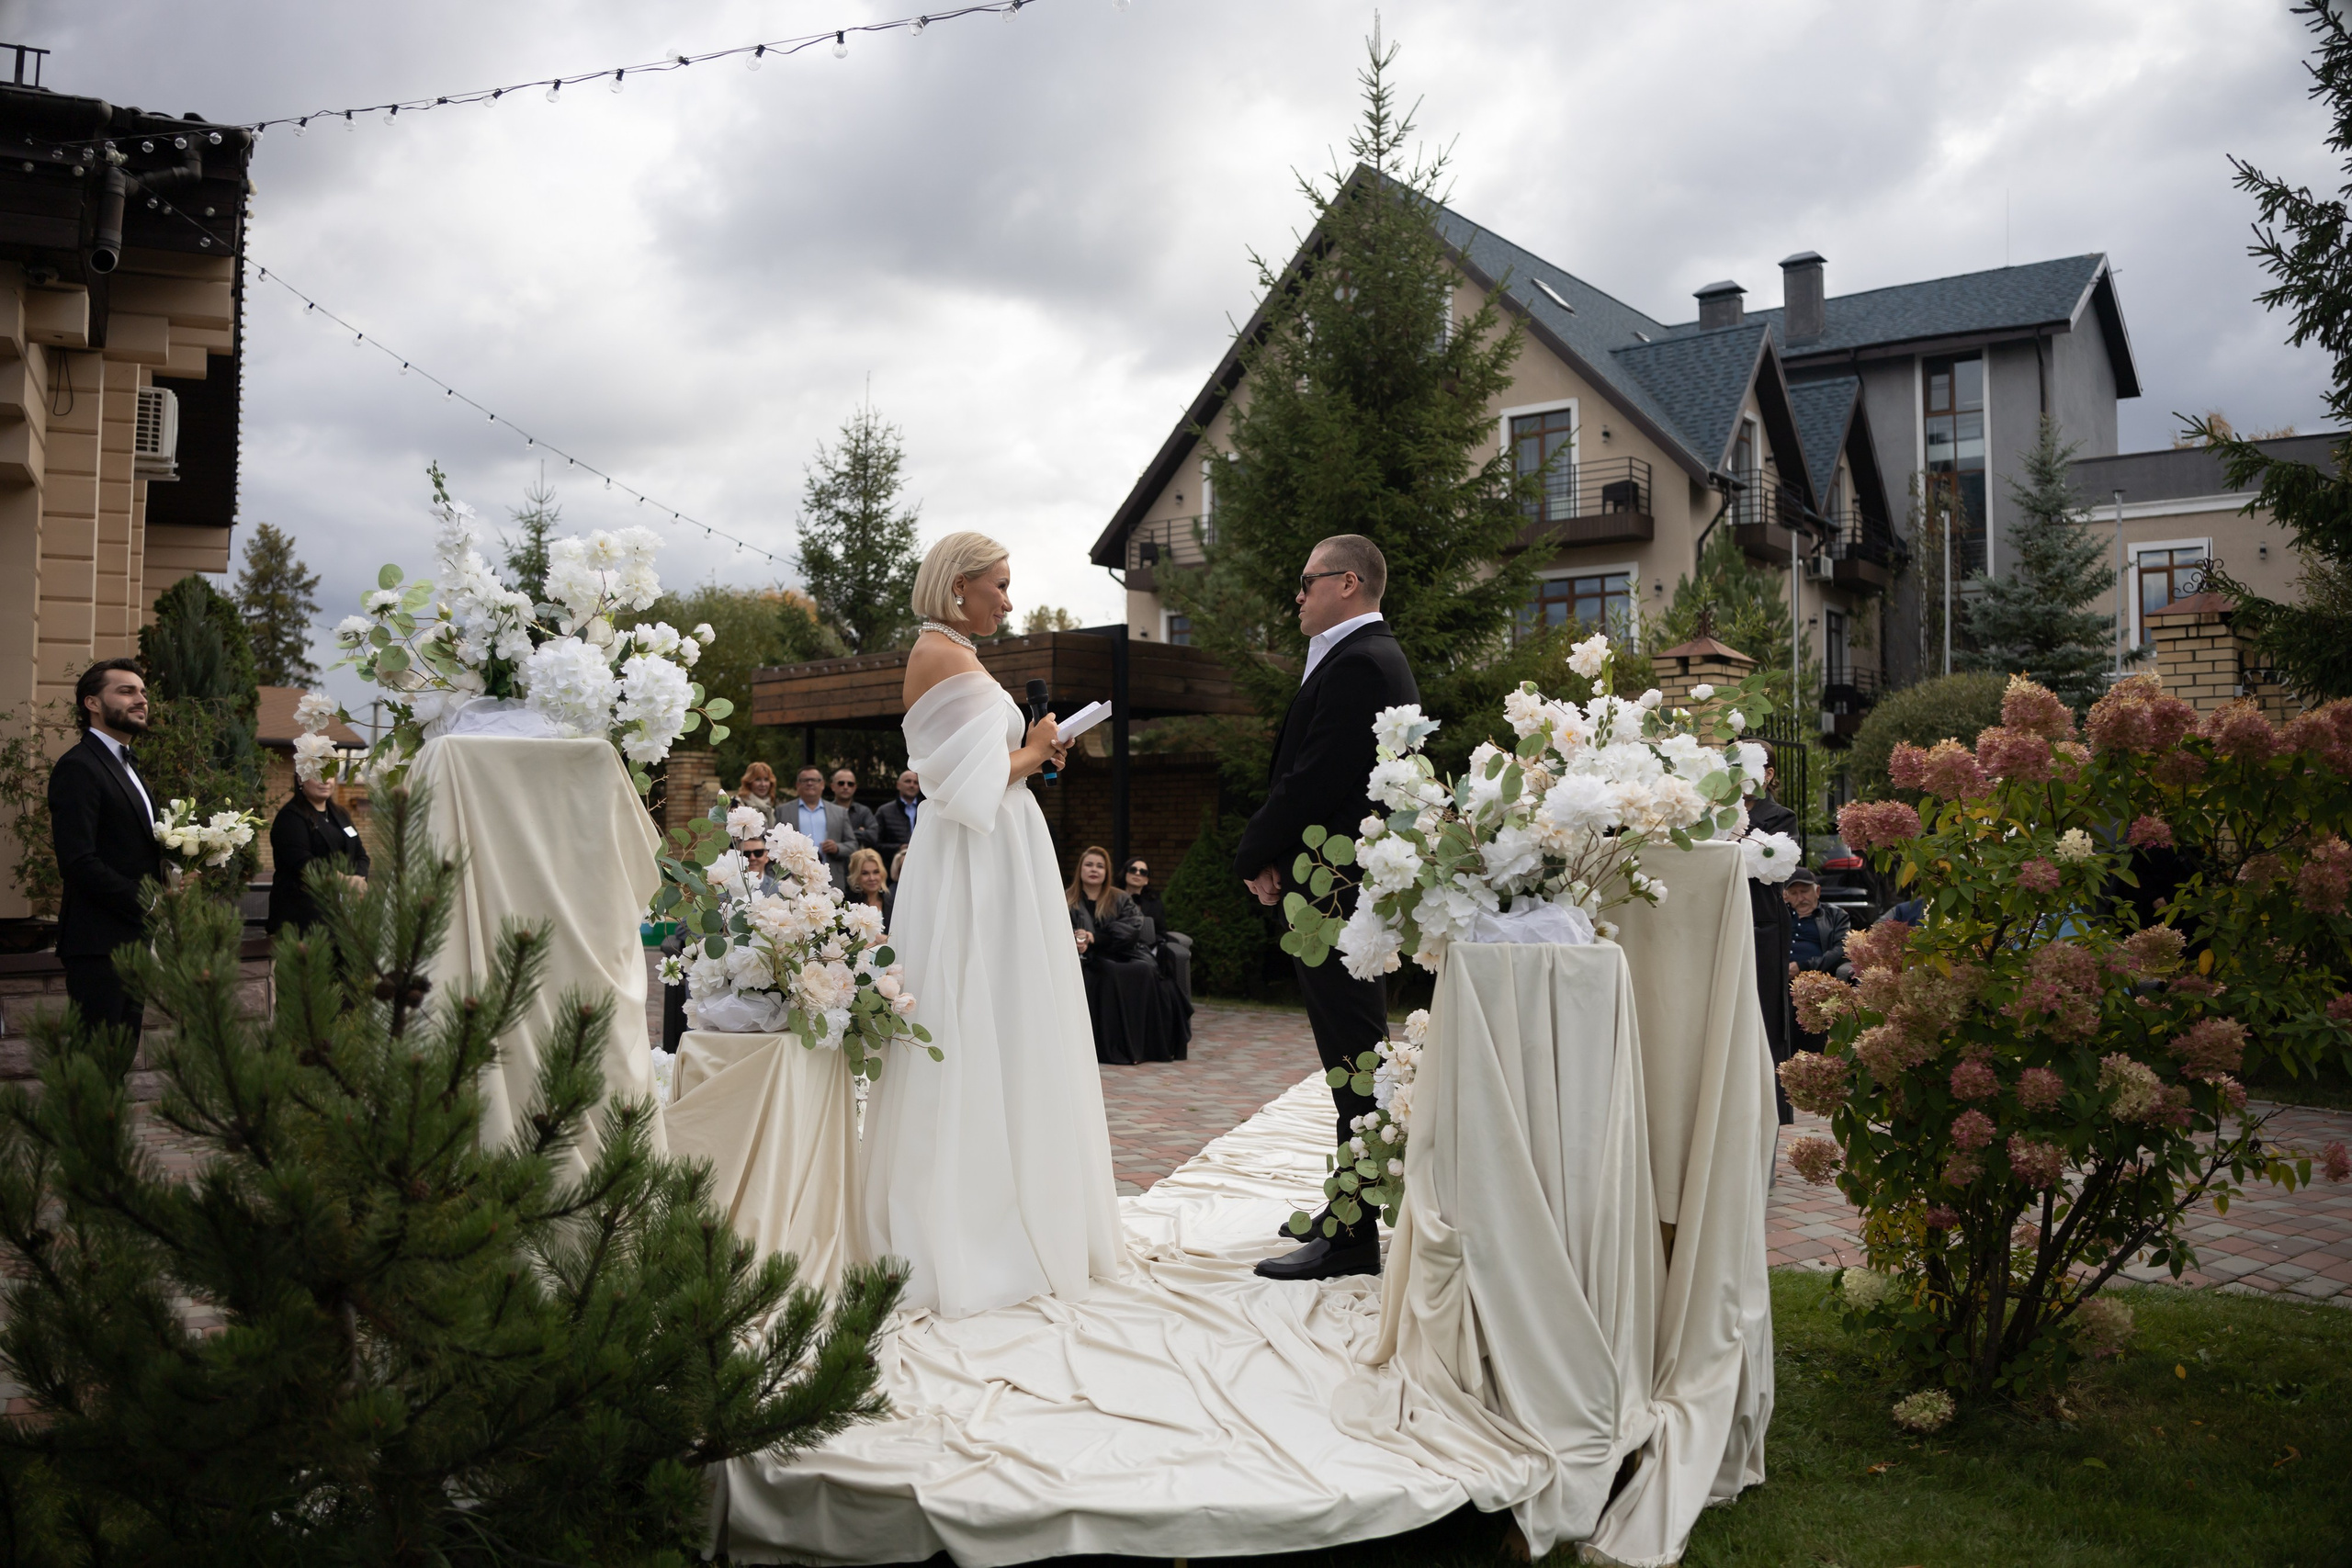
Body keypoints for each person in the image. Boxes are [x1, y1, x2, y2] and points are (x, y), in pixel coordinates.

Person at [857, 530, 1121, 1318]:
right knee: (980, 1003)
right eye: (1000, 585)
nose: (1009, 599)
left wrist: (1039, 751)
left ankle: (1021, 1192)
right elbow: (954, 782)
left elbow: (982, 763)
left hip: (997, 849)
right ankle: (975, 1220)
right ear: (958, 586)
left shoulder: (955, 652)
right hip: (975, 854)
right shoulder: (940, 654)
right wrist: (1034, 749)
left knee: (1009, 1007)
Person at [1234, 535, 1417, 1282]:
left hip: (1339, 892)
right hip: (1333, 880)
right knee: (1353, 1055)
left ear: (1348, 582)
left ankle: (1349, 1236)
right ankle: (1350, 1200)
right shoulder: (1359, 657)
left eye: (1307, 581)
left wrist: (1254, 851)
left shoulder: (1363, 662)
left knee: (1354, 1059)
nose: (1297, 595)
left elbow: (1316, 777)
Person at [48, 658, 164, 1040]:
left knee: (119, 1060)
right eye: (126, 691)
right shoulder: (79, 766)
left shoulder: (128, 766)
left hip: (132, 938)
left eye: (143, 692)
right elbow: (78, 860)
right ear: (92, 703)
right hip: (98, 945)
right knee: (98, 1066)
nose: (141, 700)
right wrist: (146, 900)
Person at [1069, 845, 1190, 1064]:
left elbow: (1131, 929)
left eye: (1100, 866)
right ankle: (1113, 1048)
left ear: (1107, 872)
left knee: (1142, 970)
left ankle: (1140, 1048)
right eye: (1089, 865)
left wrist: (1095, 938)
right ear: (1080, 869)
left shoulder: (1120, 898)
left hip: (1123, 952)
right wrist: (1073, 941)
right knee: (1109, 972)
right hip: (1084, 959)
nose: (1094, 869)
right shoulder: (1066, 899)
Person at [1747, 745, 1801, 1125]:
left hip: (1762, 925)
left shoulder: (1781, 817)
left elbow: (1778, 869)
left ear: (1768, 774)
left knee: (1765, 1018)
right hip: (1720, 917)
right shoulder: (1711, 812)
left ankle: (1767, 1117)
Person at [265, 774, 369, 934]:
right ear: (300, 779)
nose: (325, 780)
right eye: (316, 775)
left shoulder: (340, 814)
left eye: (329, 775)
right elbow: (304, 864)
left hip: (341, 916)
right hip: (302, 919)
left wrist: (358, 879)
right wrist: (344, 881)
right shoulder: (290, 817)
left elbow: (361, 855)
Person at [1783, 867, 1850, 1055]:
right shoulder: (1780, 916)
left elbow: (1841, 949)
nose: (1800, 898)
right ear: (1786, 895)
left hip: (1815, 983)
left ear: (1817, 891)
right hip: (1779, 981)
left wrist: (1804, 967)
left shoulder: (1835, 915)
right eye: (1794, 893)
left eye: (1804, 891)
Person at [1123, 854, 1193, 1002]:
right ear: (1125, 873)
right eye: (1133, 869)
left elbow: (1161, 930)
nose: (1137, 874)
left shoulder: (1154, 902)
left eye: (1143, 872)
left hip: (1148, 950)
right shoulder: (1111, 898)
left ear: (1147, 879)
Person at [787, 764, 854, 891]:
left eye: (814, 780)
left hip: (831, 879)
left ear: (822, 784)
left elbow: (853, 844)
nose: (810, 783)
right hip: (795, 881)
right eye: (805, 780)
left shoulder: (840, 812)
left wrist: (837, 848)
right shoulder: (784, 811)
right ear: (797, 785)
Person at [831, 766, 881, 853]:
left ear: (855, 788)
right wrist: (860, 832)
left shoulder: (864, 811)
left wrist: (844, 834)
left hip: (858, 861)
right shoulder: (826, 811)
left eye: (850, 784)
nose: (846, 787)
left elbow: (873, 836)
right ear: (833, 786)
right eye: (841, 783)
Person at [876, 769, 923, 856]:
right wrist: (898, 848)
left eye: (916, 783)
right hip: (894, 863)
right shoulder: (884, 811)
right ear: (898, 785)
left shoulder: (926, 810)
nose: (912, 785)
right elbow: (876, 843)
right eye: (908, 781)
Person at [844, 846, 894, 928]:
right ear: (856, 876)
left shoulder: (891, 903)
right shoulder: (847, 905)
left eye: (876, 872)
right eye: (865, 873)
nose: (872, 878)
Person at [731, 761, 782, 835]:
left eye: (766, 779)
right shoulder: (738, 803)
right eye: (758, 779)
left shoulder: (771, 809)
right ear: (749, 782)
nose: (763, 784)